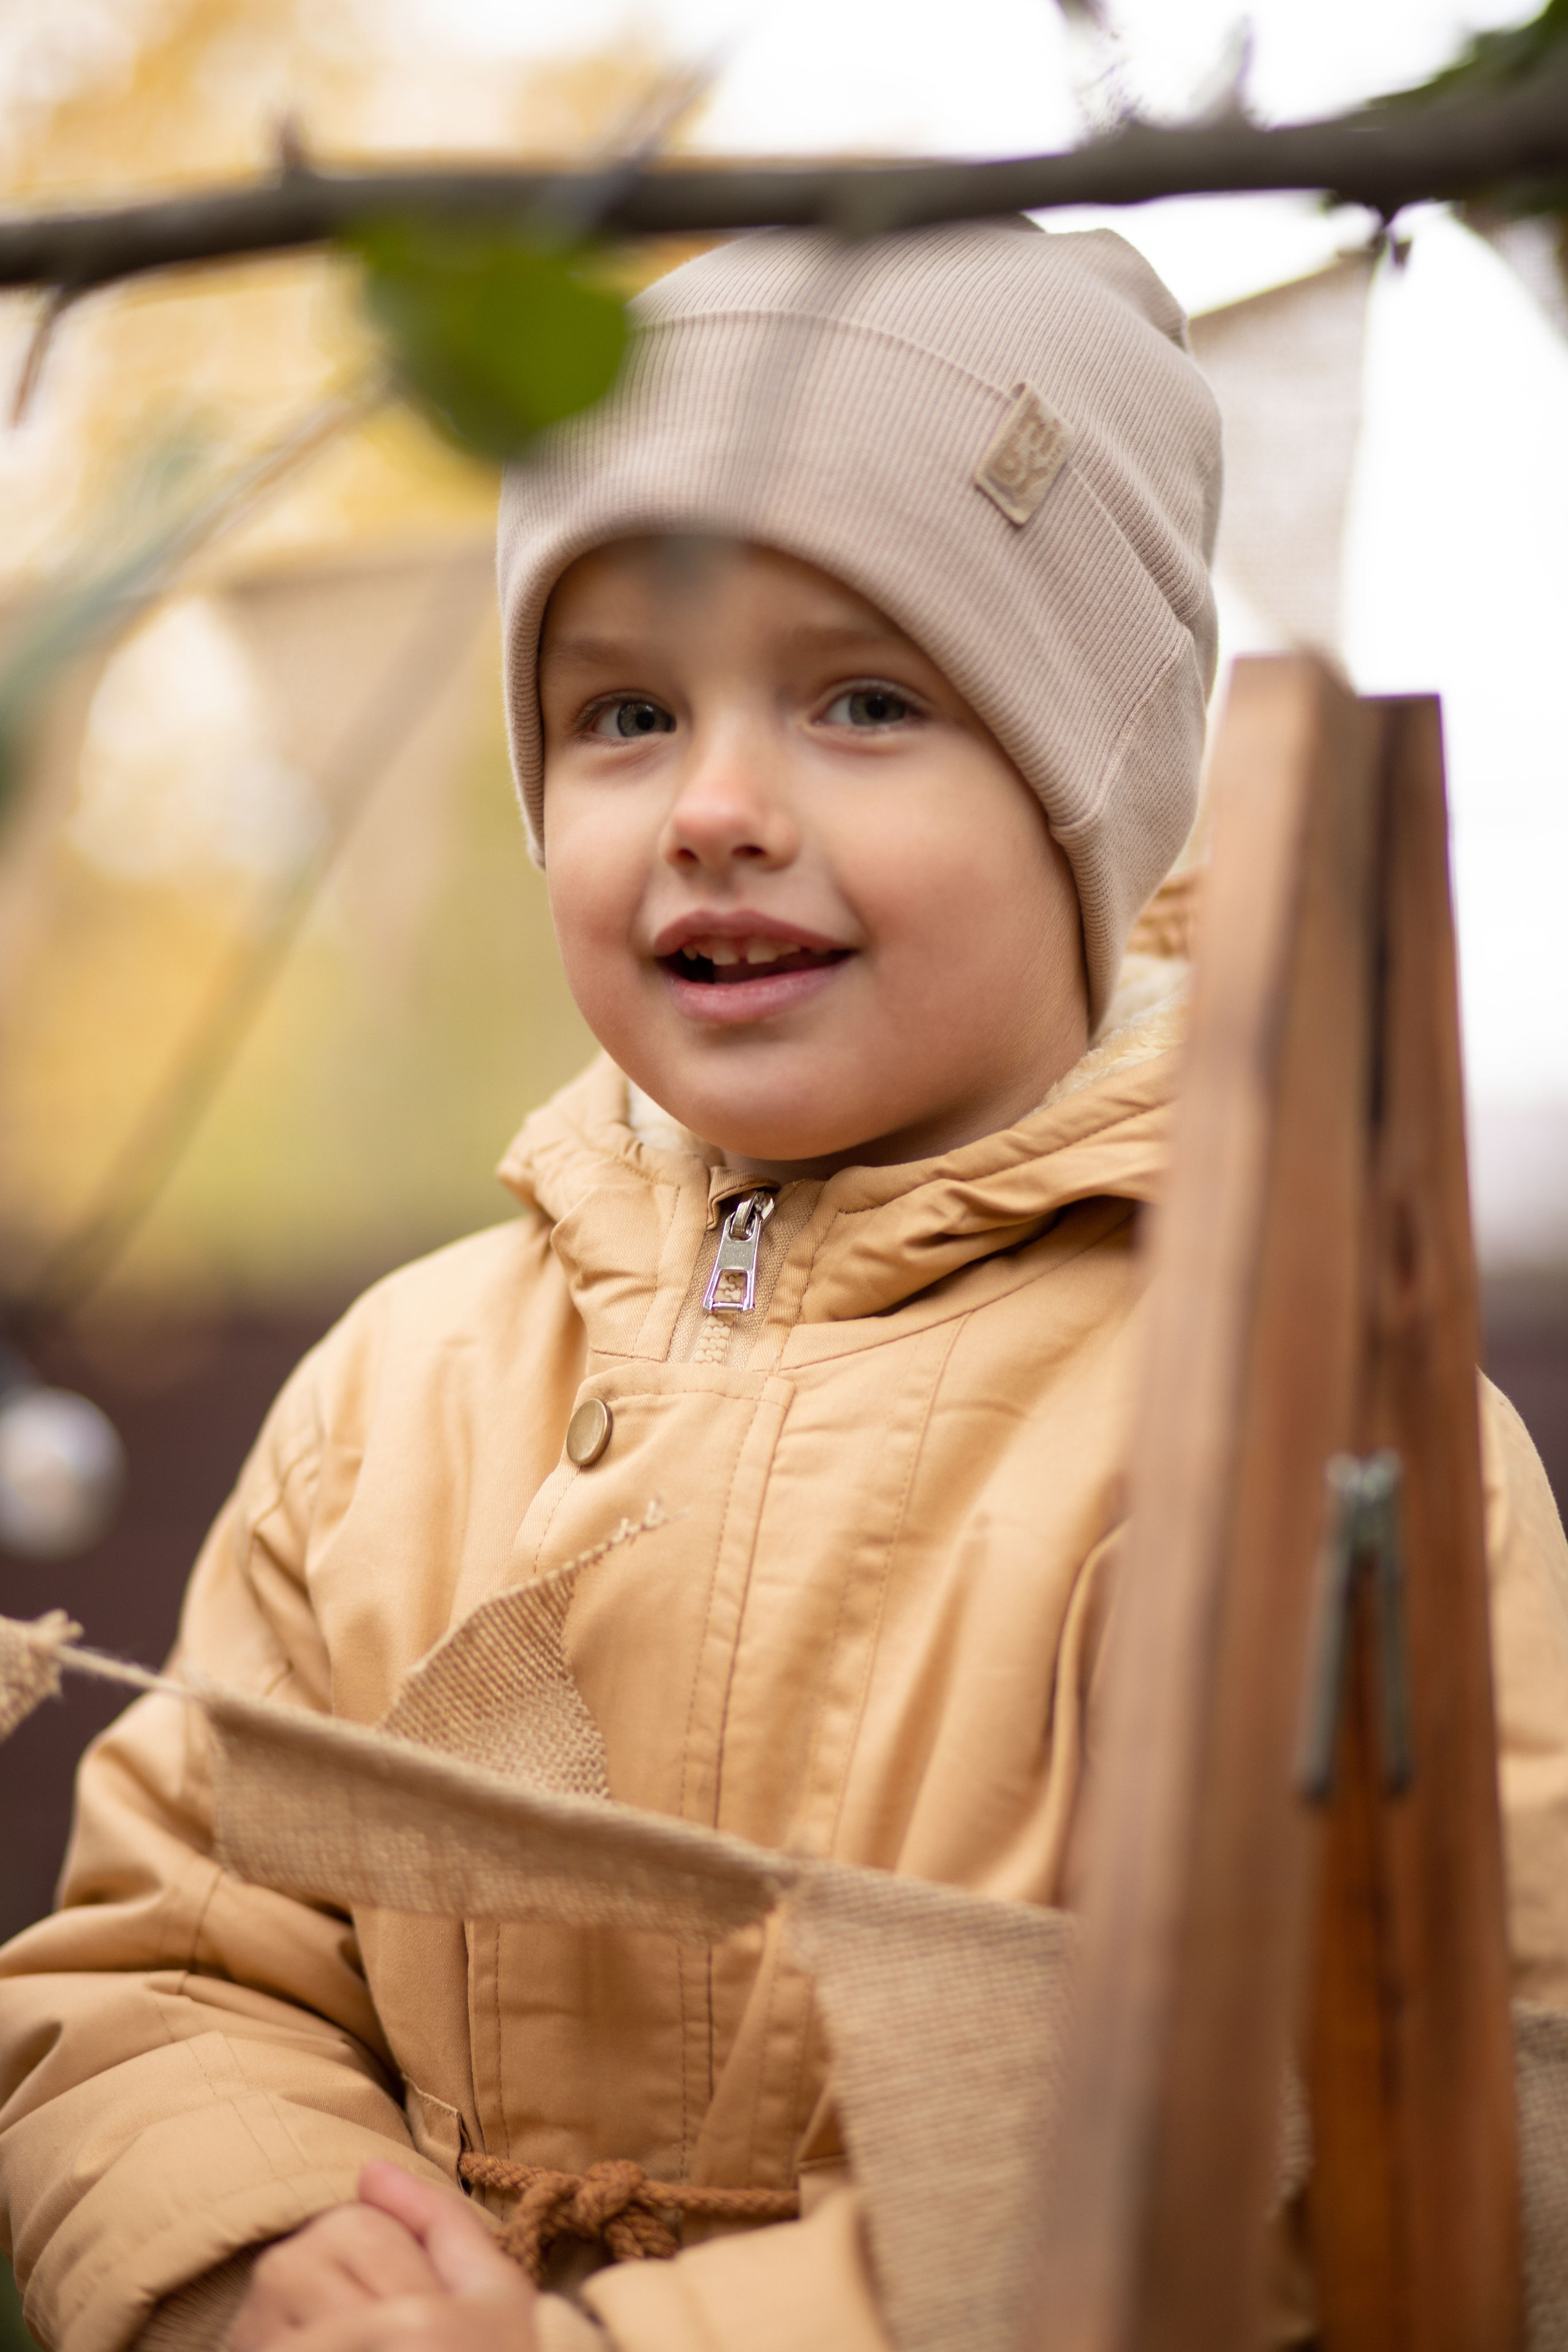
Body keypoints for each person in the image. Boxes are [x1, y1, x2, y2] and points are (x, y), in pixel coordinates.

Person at [3, 221, 1567, 2352]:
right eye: (626, 711)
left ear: (1090, 798)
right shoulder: (393, 1398)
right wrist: (275, 2259)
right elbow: (173, 1966)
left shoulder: (1312, 1426)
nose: (720, 806)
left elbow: (1343, 2122)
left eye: (866, 699)